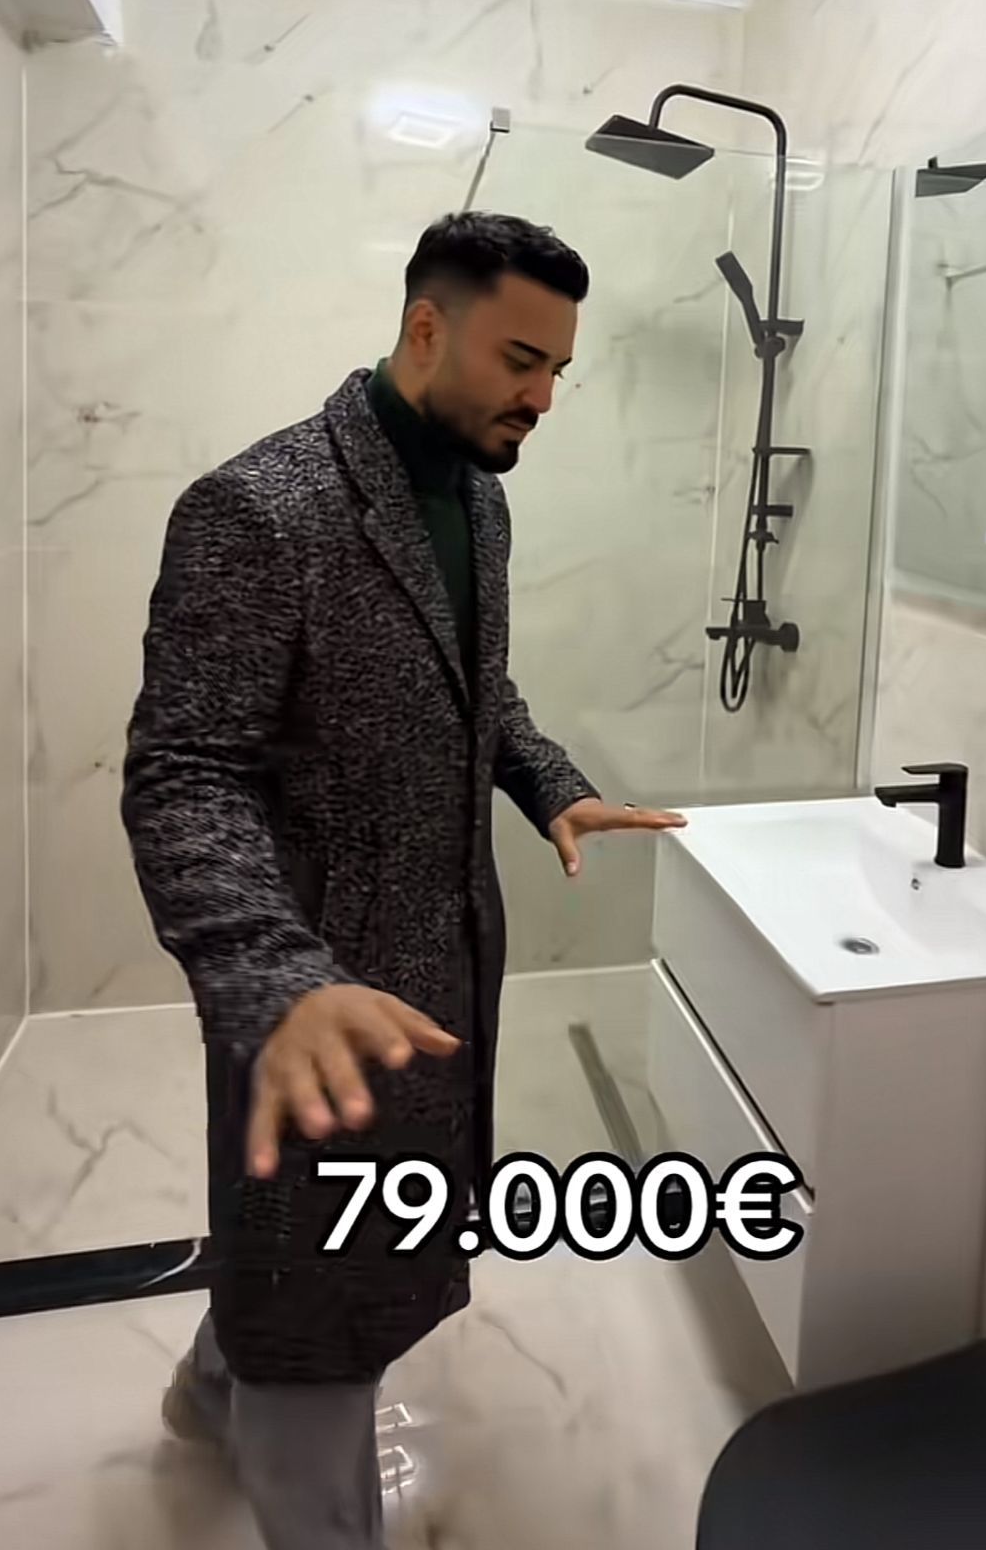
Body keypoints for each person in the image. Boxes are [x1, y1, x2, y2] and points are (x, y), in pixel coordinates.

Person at [122, 209, 684, 1550]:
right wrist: (278, 978)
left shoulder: (478, 499)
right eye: (521, 361)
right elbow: (184, 773)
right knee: (322, 1304)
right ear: (427, 328)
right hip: (319, 1000)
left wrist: (549, 783)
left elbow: (479, 694)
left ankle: (210, 1390)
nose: (543, 398)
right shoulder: (261, 509)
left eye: (559, 369)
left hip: (445, 966)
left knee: (336, 1243)